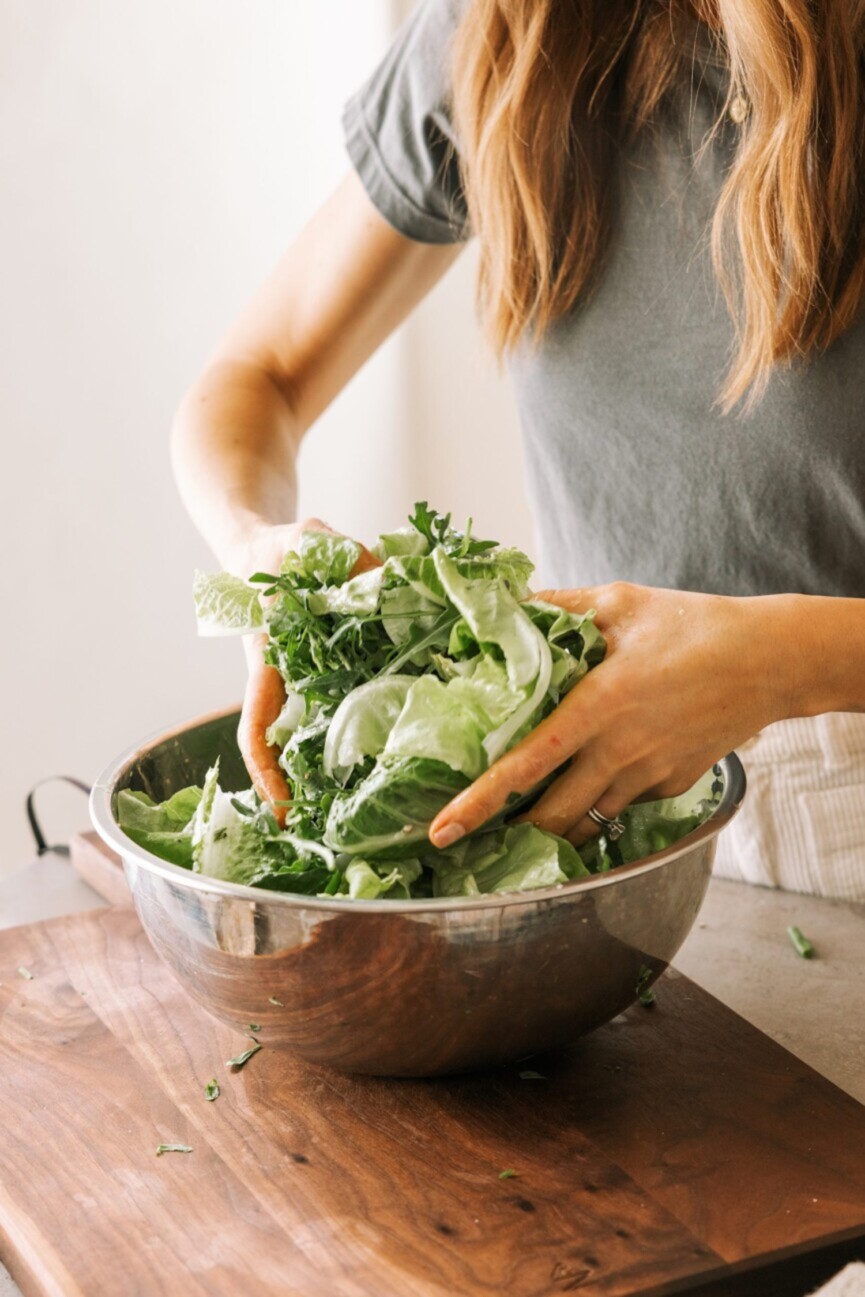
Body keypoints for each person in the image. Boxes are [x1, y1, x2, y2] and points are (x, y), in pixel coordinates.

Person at [172, 0, 865, 901]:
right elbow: (256, 376)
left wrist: (775, 660)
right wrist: (262, 555)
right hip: (603, 846)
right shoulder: (507, 27)